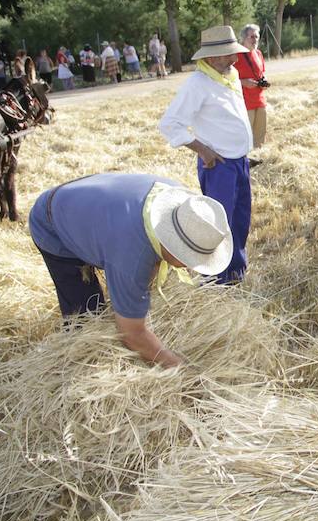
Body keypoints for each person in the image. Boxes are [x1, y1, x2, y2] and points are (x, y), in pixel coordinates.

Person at [28, 173, 234, 369]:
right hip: (51, 221)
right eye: (190, 258)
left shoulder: (178, 206)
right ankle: (72, 366)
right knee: (87, 317)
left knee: (122, 298)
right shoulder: (131, 256)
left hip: (88, 203)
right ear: (172, 245)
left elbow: (145, 254)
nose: (190, 266)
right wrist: (179, 368)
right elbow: (132, 334)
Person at [159, 25, 253, 284]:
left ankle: (235, 273)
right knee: (217, 226)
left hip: (239, 161)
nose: (234, 59)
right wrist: (202, 149)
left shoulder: (229, 75)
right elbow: (170, 124)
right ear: (211, 58)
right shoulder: (197, 84)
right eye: (228, 54)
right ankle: (214, 279)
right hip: (219, 165)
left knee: (241, 220)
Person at [235, 24, 269, 158]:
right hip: (244, 102)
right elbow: (225, 79)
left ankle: (259, 158)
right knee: (246, 135)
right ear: (243, 38)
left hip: (260, 100)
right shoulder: (235, 55)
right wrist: (243, 82)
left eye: (257, 36)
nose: (255, 40)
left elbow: (262, 72)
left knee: (260, 133)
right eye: (251, 36)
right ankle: (246, 160)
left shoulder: (259, 53)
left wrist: (264, 80)